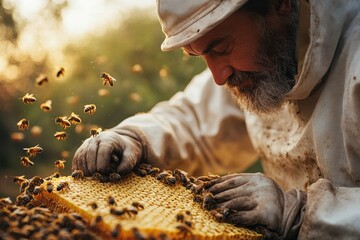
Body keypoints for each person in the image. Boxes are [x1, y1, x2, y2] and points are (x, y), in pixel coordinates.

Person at [72, 0, 360, 239]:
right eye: (198, 56)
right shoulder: (259, 62)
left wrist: (303, 214)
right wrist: (134, 138)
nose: (219, 77)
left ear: (279, 4)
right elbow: (195, 123)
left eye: (220, 48)